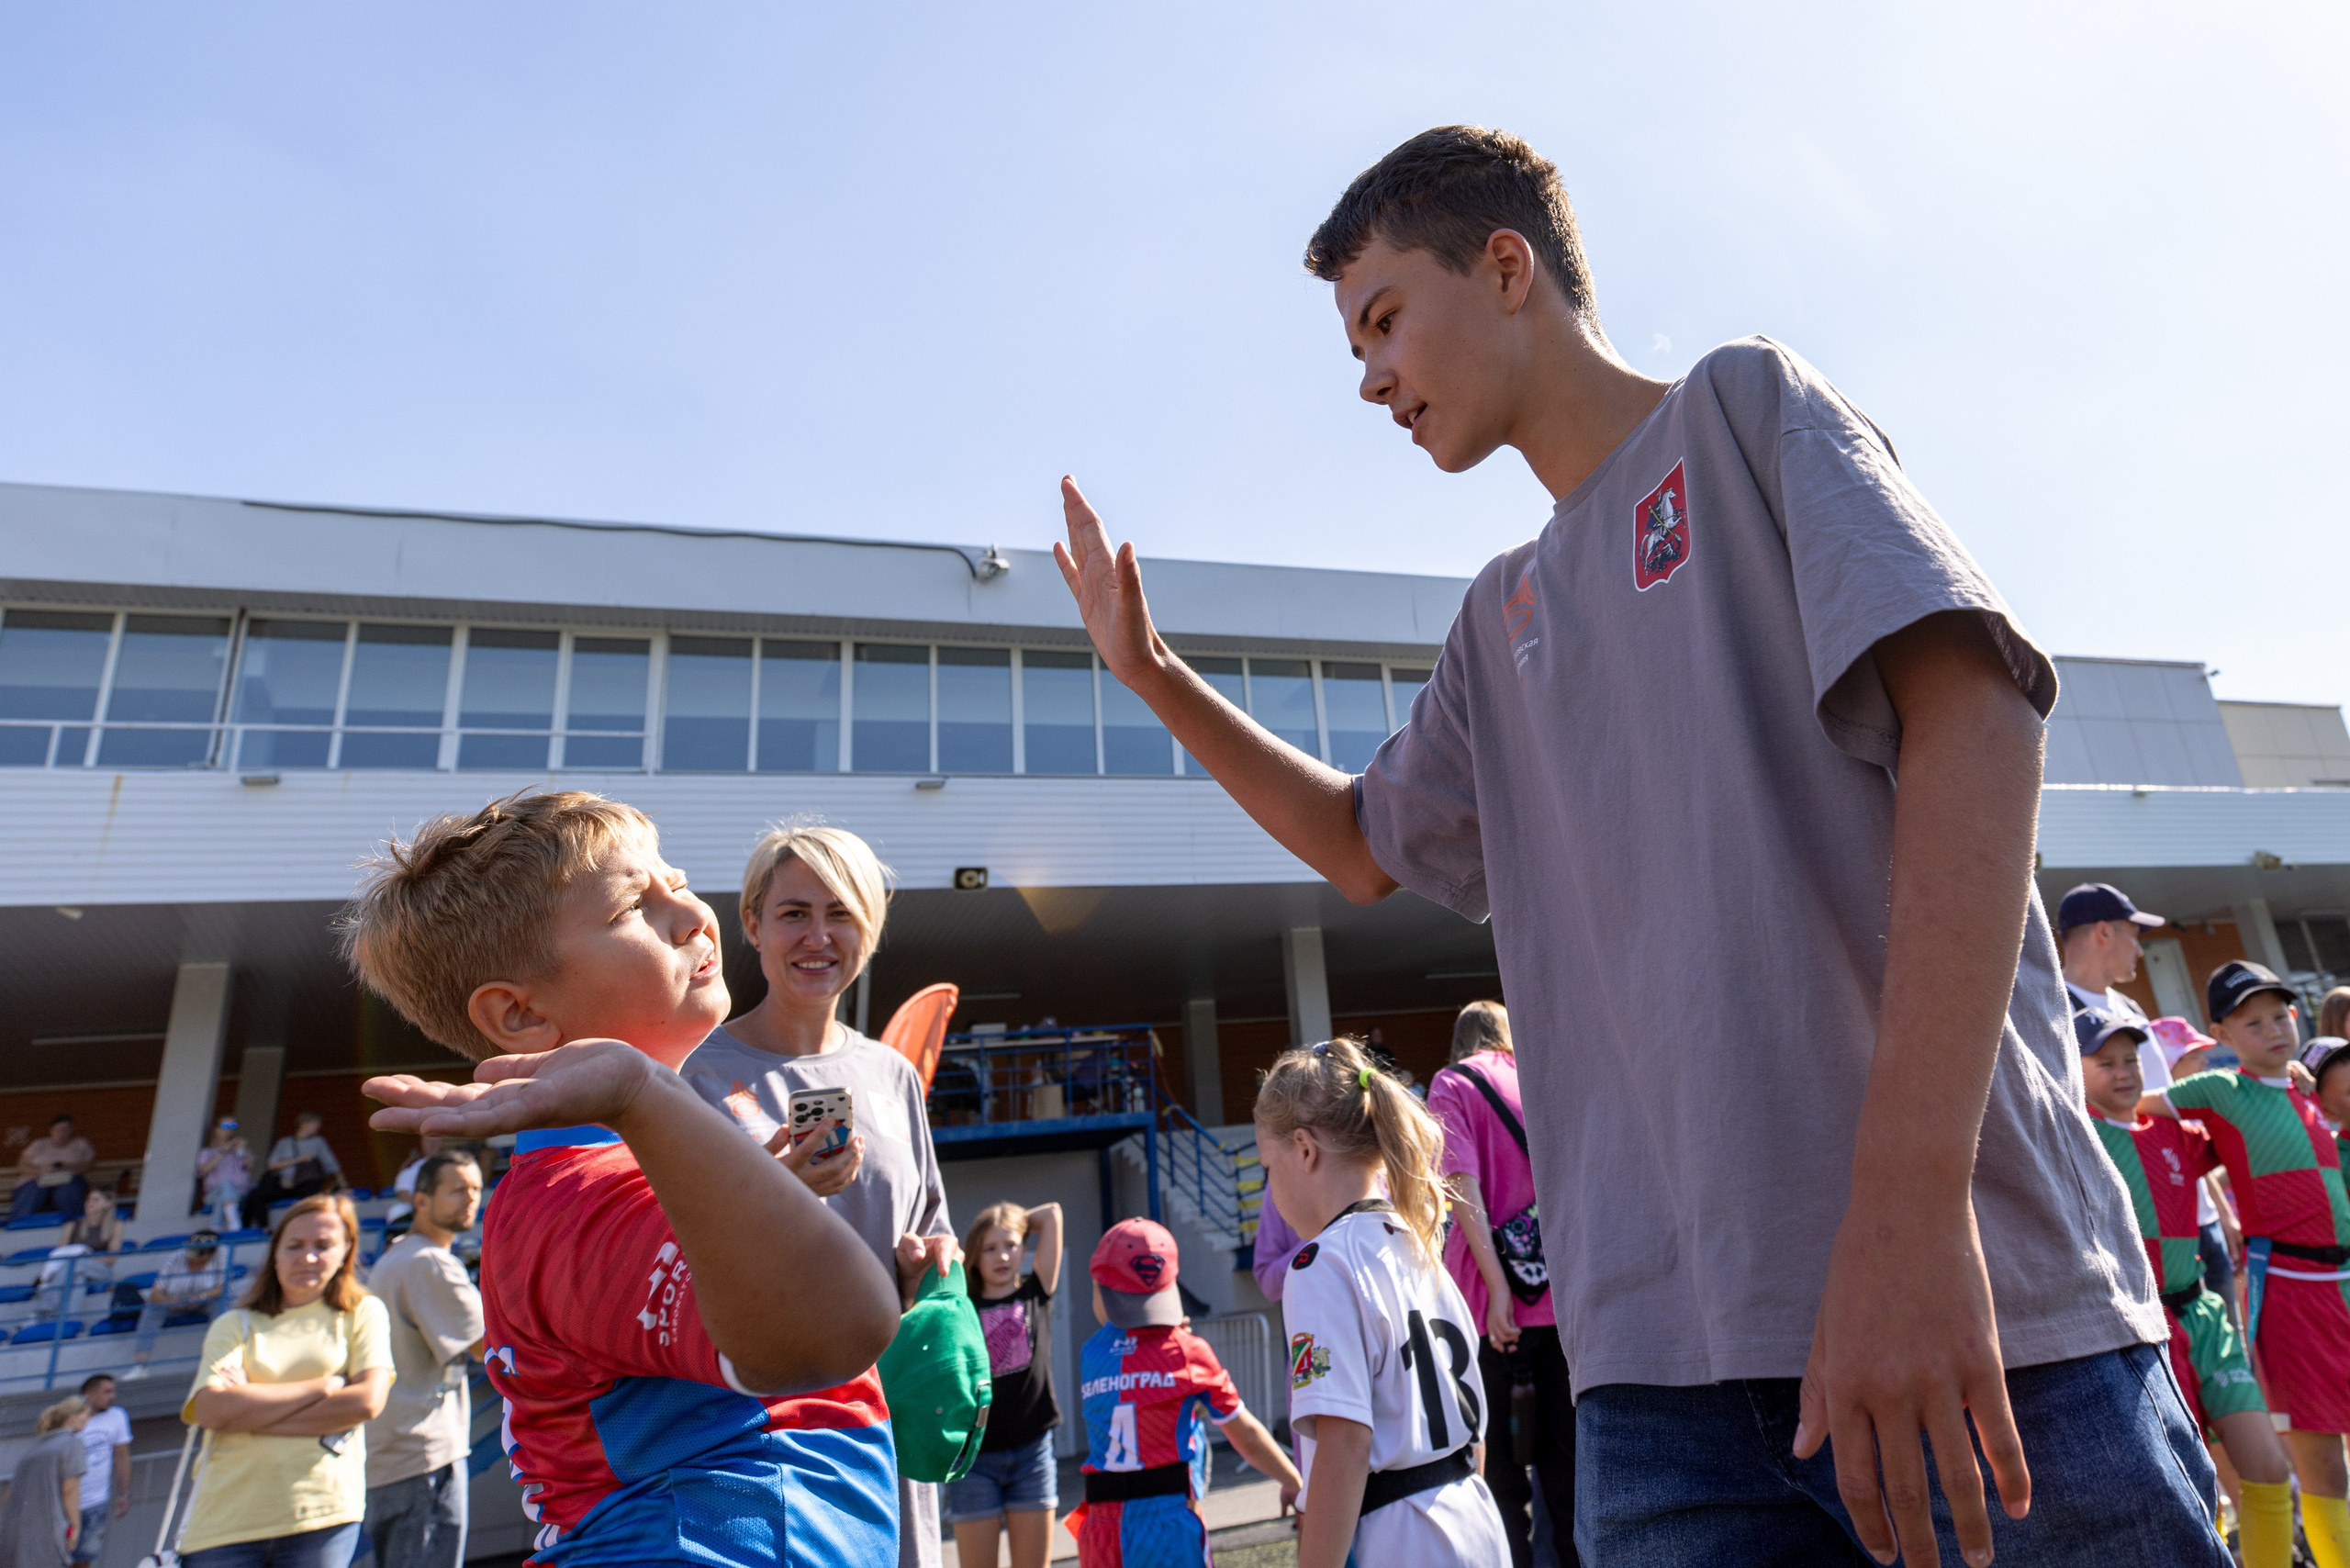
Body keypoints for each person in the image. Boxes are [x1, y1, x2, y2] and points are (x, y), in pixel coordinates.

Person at [1053, 122, 2214, 1566]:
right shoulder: (1496, 621)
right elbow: (1357, 843)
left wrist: (1912, 1209)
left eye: (1384, 320)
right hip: (1657, 1394)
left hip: (1965, 1307)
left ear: (1507, 267)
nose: (1369, 378)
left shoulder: (1742, 410)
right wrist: (1153, 675)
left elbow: (1978, 717)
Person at [344, 790, 901, 1568]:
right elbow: (833, 1333)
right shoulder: (578, 1199)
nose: (694, 914)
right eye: (634, 906)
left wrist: (768, 1189)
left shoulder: (627, 1167)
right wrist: (640, 1091)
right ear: (519, 1015)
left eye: (679, 881)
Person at [678, 822, 957, 1568]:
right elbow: (666, 1258)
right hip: (761, 1433)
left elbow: (932, 1220)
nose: (818, 936)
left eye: (841, 914)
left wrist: (931, 1262)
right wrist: (775, 1201)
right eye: (794, 913)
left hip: (889, 1414)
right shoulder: (694, 1074)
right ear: (752, 924)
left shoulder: (892, 1075)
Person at [1254, 1038, 1511, 1568]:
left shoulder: (1320, 1265)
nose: (1271, 1188)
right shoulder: (1420, 1246)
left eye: (1268, 1167)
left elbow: (1345, 1442)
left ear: (1304, 1150)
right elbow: (1474, 1431)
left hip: (1403, 1537)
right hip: (1475, 1518)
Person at [2145, 961, 2350, 1567]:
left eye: (2280, 1016)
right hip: (2289, 1287)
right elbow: (2134, 1110)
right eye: (2252, 1023)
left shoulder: (2307, 1088)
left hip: (2343, 1279)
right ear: (2222, 1036)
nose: (2273, 1030)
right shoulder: (2218, 1090)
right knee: (2324, 1465)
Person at [2076, 1009, 2297, 1565]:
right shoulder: (2078, 1136)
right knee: (2193, 1490)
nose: (2124, 1073)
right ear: (2073, 1068)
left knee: (2269, 1470)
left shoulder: (2175, 1132)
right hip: (2141, 1334)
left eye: (2131, 1060)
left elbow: (2243, 1121)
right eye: (2106, 1063)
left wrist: (2285, 1078)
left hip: (2203, 1315)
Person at [1426, 1002, 1572, 1568]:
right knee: (1568, 1471)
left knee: (1501, 1482)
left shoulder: (1452, 1084)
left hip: (1490, 1310)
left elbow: (1461, 1186)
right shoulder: (1542, 1075)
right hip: (1560, 1303)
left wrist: (1498, 1289)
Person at [1069, 1218, 1300, 1568]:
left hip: (1101, 1527)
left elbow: (1136, 1385)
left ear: (1098, 1285)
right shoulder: (1187, 1350)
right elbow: (1247, 1437)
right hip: (1166, 1523)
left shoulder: (1091, 1354)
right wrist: (1294, 1482)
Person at [177, 1193, 393, 1567]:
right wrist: (322, 1388)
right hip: (221, 1524)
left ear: (346, 1251)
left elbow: (366, 1403)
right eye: (294, 1246)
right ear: (275, 1253)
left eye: (323, 1246)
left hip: (321, 1518)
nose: (307, 1257)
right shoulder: (234, 1324)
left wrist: (248, 1409)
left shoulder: (362, 1313)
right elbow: (212, 1410)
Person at [363, 1150, 485, 1568]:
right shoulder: (429, 1262)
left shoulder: (399, 1256)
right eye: (457, 1190)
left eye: (476, 1189)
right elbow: (491, 1347)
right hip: (422, 1456)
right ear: (420, 1200)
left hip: (396, 1454)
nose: (470, 1199)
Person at [948, 1202, 1063, 1568]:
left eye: (1011, 1245)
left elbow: (1052, 1214)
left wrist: (1014, 1221)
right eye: (990, 1248)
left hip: (1033, 1454)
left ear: (1024, 1248)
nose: (1002, 1256)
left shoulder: (1036, 1291)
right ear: (974, 1255)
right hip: (973, 1460)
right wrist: (1003, 1227)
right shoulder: (961, 1304)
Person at [121, 1229, 229, 1379]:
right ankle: (140, 1366)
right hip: (176, 1301)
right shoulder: (177, 1256)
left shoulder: (221, 1252)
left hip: (207, 1299)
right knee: (152, 1309)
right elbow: (156, 1292)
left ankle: (224, 1362)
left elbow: (222, 1288)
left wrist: (200, 1297)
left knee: (221, 1307)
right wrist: (170, 1301)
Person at [0, 1396, 88, 1568]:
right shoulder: (72, 1444)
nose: (88, 1419)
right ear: (72, 1418)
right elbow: (70, 1489)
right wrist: (76, 1526)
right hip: (45, 1536)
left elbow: (8, 1497)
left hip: (12, 1537)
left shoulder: (33, 1451)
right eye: (86, 1415)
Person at [241, 1114, 341, 1231]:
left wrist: (343, 1184)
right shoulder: (284, 1143)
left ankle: (307, 1226)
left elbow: (331, 1165)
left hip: (305, 1185)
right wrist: (299, 1160)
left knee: (311, 1193)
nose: (318, 1127)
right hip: (284, 1183)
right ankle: (264, 1228)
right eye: (315, 1124)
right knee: (256, 1195)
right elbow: (272, 1165)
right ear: (303, 1124)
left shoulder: (318, 1142)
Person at [69, 1376, 129, 1567]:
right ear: (89, 1395)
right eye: (107, 1392)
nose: (113, 1396)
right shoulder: (71, 1420)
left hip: (97, 1502)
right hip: (68, 1502)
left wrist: (124, 1493)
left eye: (113, 1391)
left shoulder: (117, 1416)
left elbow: (122, 1456)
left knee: (84, 1558)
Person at [11, 1114, 94, 1224]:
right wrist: (42, 1172)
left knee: (67, 1192)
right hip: (37, 1181)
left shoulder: (80, 1144)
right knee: (34, 1191)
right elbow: (21, 1166)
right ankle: (18, 1224)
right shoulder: (39, 1144)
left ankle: (76, 1224)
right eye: (59, 1129)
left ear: (72, 1130)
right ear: (51, 1130)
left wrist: (68, 1167)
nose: (62, 1132)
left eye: (66, 1129)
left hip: (67, 1181)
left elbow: (89, 1164)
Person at [197, 1118, 253, 1232]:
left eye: (233, 1126)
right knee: (225, 1185)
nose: (229, 1130)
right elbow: (204, 1169)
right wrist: (223, 1150)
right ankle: (233, 1222)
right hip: (213, 1193)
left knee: (223, 1195)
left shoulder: (237, 1151)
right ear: (216, 1129)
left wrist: (243, 1150)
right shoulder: (207, 1152)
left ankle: (215, 1228)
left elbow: (249, 1166)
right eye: (225, 1126)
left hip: (238, 1191)